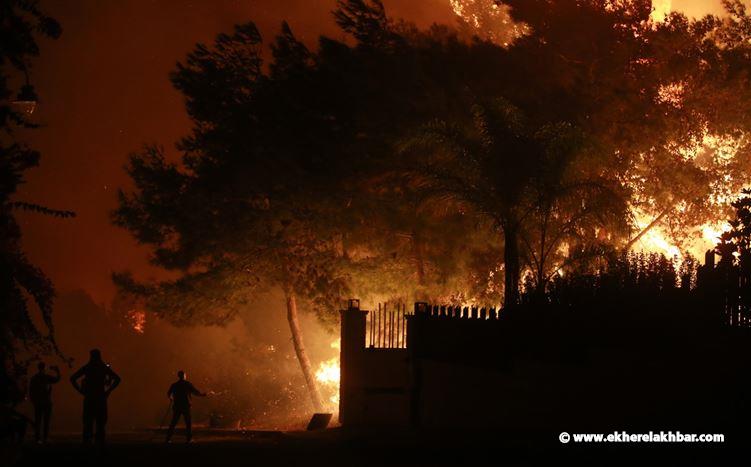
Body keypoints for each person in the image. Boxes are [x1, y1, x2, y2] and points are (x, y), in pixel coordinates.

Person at [70, 349, 121, 445]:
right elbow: (117, 379)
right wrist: (108, 391)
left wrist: (81, 391)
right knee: (100, 423)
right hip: (100, 398)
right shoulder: (103, 368)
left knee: (88, 423)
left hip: (89, 398)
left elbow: (72, 378)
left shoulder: (87, 367)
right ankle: (99, 445)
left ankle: (87, 444)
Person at [165, 371, 206, 443]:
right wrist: (202, 395)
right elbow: (195, 392)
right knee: (188, 423)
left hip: (177, 406)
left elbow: (169, 393)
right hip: (186, 406)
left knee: (173, 422)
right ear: (184, 376)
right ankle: (189, 439)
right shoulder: (187, 384)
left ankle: (168, 439)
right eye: (185, 375)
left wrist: (171, 398)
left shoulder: (174, 385)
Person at [28, 362, 60, 443]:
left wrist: (33, 400)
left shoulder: (34, 378)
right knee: (46, 421)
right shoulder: (46, 377)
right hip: (46, 402)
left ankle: (37, 438)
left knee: (38, 420)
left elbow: (31, 391)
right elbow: (57, 379)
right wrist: (58, 371)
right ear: (44, 368)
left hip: (38, 402)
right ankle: (45, 438)